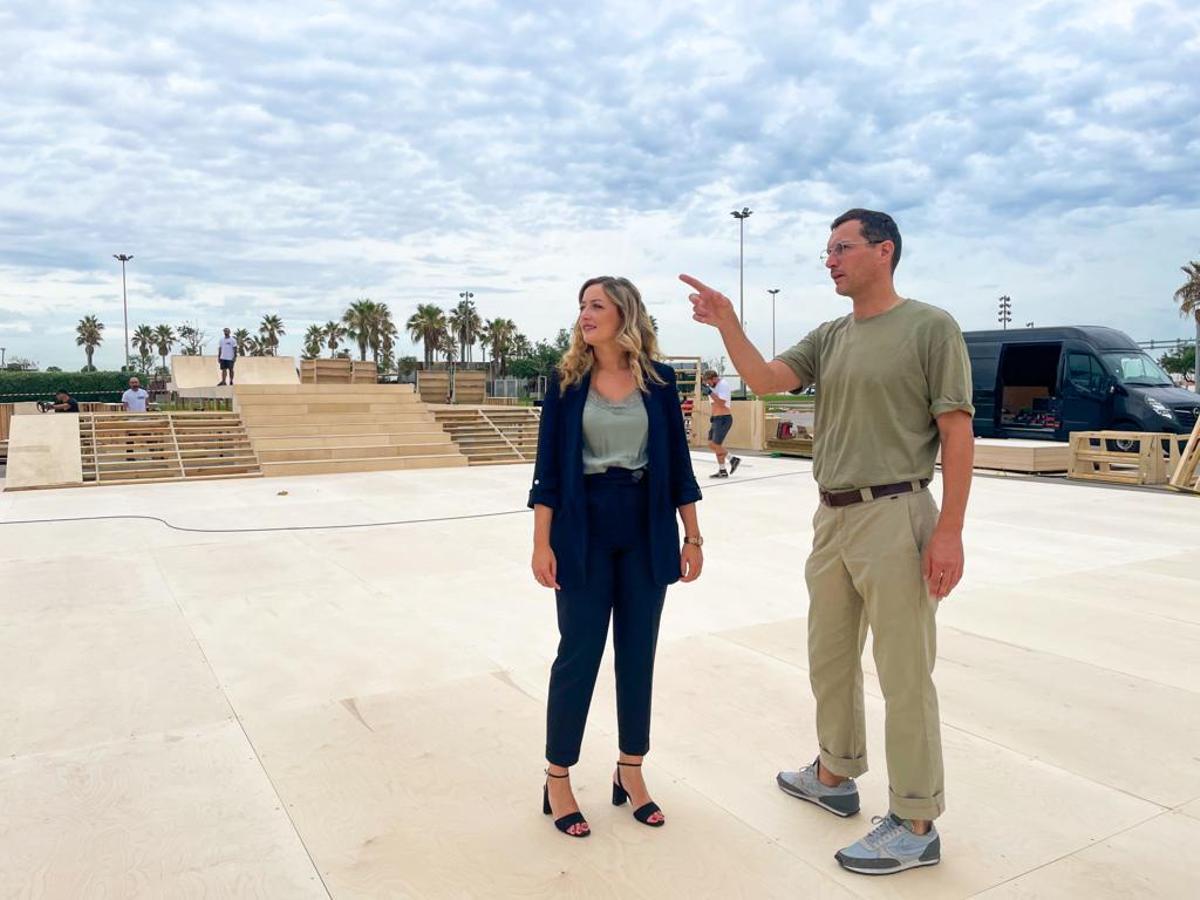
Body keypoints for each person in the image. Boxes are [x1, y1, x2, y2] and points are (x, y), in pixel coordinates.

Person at [681, 208, 974, 875]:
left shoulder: (930, 327)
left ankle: (915, 817)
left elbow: (956, 433)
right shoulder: (832, 336)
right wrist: (728, 322)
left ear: (884, 251)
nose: (831, 259)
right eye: (827, 251)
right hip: (832, 515)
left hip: (896, 511)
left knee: (904, 672)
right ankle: (835, 776)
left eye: (842, 247)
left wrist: (949, 530)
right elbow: (764, 380)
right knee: (830, 658)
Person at [529, 275, 704, 838]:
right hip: (583, 528)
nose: (585, 314)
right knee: (578, 653)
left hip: (645, 526)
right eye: (581, 305)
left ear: (624, 313)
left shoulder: (658, 381)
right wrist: (541, 542)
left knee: (638, 653)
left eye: (596, 305)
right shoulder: (565, 382)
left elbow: (677, 463)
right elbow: (549, 473)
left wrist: (693, 536)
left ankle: (631, 770)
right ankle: (558, 777)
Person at [702, 370, 741, 477]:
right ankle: (722, 470)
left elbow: (722, 403)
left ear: (714, 378)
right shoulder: (713, 386)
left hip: (723, 418)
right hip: (716, 418)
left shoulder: (723, 385)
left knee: (716, 444)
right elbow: (714, 404)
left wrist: (710, 392)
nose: (708, 385)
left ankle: (732, 459)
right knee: (711, 444)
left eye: (709, 382)